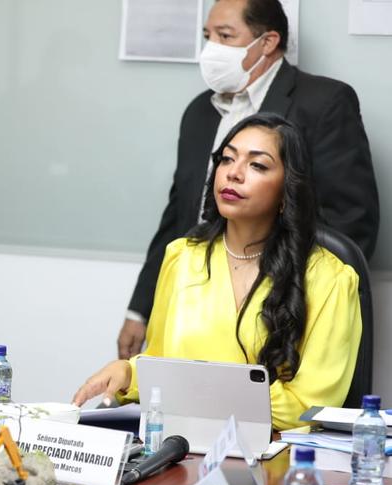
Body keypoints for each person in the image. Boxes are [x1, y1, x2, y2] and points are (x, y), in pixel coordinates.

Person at [117, 0, 379, 360]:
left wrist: (294, 300)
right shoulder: (199, 112)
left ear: (267, 42)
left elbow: (352, 222)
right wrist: (141, 309)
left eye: (225, 36)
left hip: (279, 310)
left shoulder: (324, 102)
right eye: (208, 36)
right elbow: (179, 217)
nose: (211, 49)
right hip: (197, 310)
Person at [73, 113, 362, 432]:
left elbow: (310, 406)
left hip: (277, 459)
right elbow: (162, 363)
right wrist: (129, 373)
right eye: (227, 159)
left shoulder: (330, 278)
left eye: (257, 165)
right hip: (185, 448)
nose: (234, 174)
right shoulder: (182, 257)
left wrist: (198, 397)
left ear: (286, 190)